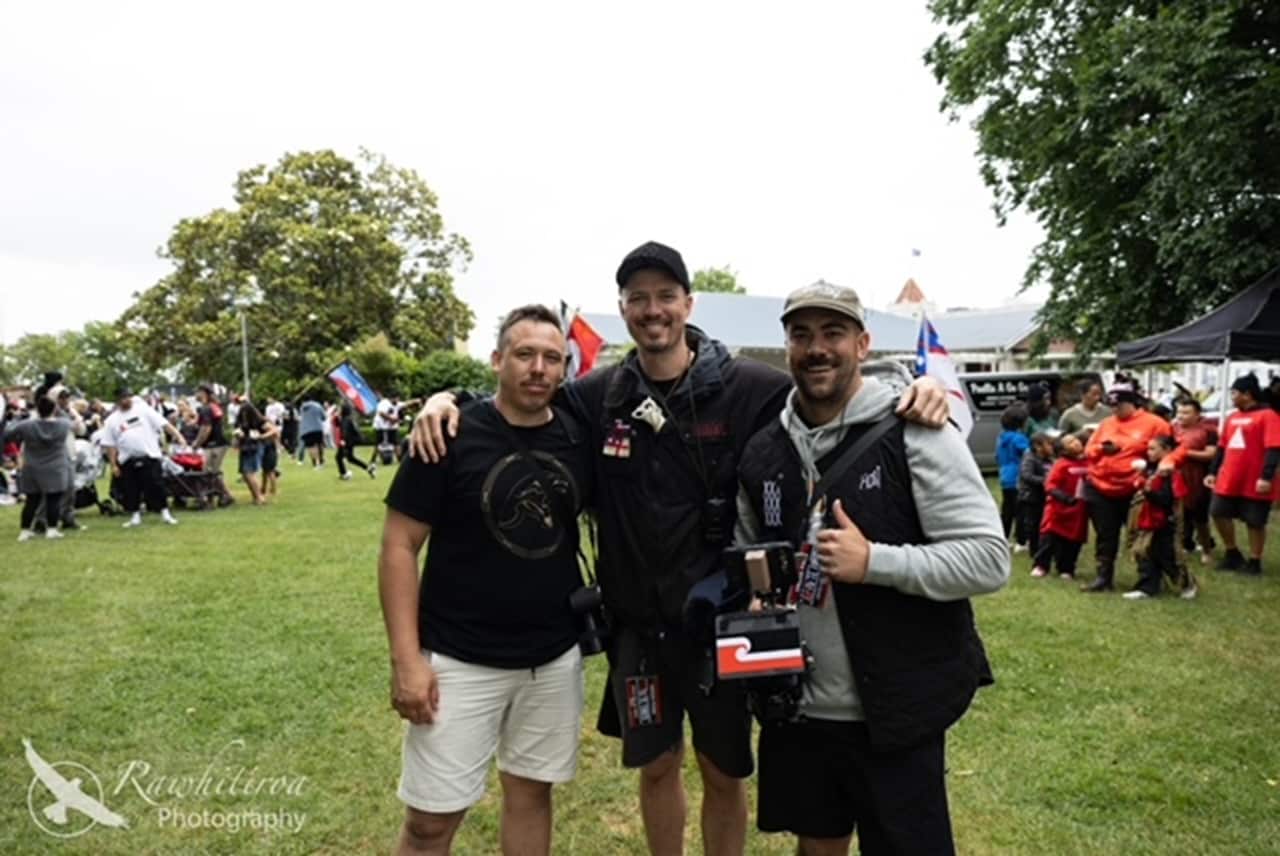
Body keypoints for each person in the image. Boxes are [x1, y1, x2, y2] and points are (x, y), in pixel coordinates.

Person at [409, 242, 950, 856]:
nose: (652, 309)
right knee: (657, 766)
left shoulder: (749, 387)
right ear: (624, 308)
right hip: (637, 625)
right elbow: (520, 400)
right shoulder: (598, 395)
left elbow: (825, 385)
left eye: (665, 296)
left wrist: (912, 386)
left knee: (724, 771)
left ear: (688, 304)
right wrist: (446, 399)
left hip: (724, 623)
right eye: (638, 298)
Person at [734, 281, 1009, 855]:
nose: (817, 348)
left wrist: (874, 563)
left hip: (895, 706)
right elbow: (746, 558)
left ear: (862, 344)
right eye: (801, 335)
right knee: (818, 844)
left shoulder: (915, 431)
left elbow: (988, 559)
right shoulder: (763, 450)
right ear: (786, 346)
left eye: (833, 333)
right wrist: (755, 597)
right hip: (799, 707)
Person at [378, 305, 591, 856]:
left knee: (531, 796)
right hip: (459, 660)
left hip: (552, 659)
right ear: (497, 361)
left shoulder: (577, 436)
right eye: (524, 354)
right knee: (430, 823)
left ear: (564, 369)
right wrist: (407, 660)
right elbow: (399, 547)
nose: (538, 368)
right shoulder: (448, 434)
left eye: (552, 358)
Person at [1080, 378, 1170, 592]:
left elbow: (1166, 452)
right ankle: (1103, 577)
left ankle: (1148, 580)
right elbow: (1088, 450)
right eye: (1112, 406)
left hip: (1134, 488)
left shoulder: (1154, 424)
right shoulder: (1106, 424)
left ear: (1132, 403)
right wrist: (1103, 449)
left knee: (1140, 535)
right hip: (1101, 486)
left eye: (1119, 405)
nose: (1115, 410)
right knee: (1105, 534)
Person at [1206, 374, 1280, 576]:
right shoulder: (1233, 418)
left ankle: (1255, 560)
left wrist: (1266, 476)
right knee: (1218, 512)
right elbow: (1222, 447)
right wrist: (1213, 471)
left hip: (1255, 478)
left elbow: (1274, 448)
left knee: (1255, 521)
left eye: (1234, 392)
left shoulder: (1268, 416)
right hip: (1230, 477)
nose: (1232, 396)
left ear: (1247, 394)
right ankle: (1232, 552)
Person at [1124, 434, 1196, 600]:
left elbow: (1166, 499)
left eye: (1153, 449)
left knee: (1168, 554)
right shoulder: (1150, 469)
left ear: (1167, 450)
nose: (1149, 452)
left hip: (1164, 520)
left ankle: (1186, 583)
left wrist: (1148, 491)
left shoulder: (1170, 473)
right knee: (1143, 552)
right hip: (1145, 518)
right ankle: (1147, 586)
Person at [100, 388, 184, 528]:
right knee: (131, 489)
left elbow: (164, 424)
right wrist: (113, 464)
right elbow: (110, 444)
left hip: (149, 455)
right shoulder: (111, 420)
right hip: (127, 458)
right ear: (118, 401)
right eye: (122, 398)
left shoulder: (144, 410)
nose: (126, 401)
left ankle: (165, 513)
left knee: (156, 486)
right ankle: (135, 515)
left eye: (128, 397)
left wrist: (178, 436)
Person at [4, 395, 73, 541]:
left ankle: (25, 530)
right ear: (54, 409)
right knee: (53, 499)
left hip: (32, 466)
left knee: (31, 500)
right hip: (56, 466)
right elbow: (77, 426)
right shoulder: (63, 424)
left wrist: (17, 421)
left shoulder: (26, 425)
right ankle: (52, 529)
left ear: (37, 409)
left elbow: (7, 435)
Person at [1032, 432, 1090, 579]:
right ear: (1063, 450)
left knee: (1073, 542)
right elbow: (1050, 485)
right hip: (1058, 509)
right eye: (1070, 442)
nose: (1076, 443)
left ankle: (1067, 568)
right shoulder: (1061, 465)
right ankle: (1041, 565)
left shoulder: (1087, 463)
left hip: (1078, 510)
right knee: (1049, 539)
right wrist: (1064, 497)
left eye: (1075, 440)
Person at [1172, 398, 1218, 564]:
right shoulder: (1172, 429)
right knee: (1177, 516)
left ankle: (1206, 549)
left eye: (1186, 413)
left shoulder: (1208, 430)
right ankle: (1180, 547)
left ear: (1197, 414)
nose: (1181, 416)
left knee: (1200, 518)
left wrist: (1185, 453)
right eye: (1179, 412)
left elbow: (1211, 454)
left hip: (1198, 478)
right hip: (1176, 476)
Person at [996, 405, 1030, 552]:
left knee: (1007, 511)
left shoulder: (1001, 438)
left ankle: (1003, 538)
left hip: (1005, 476)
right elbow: (1028, 454)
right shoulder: (1019, 438)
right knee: (1021, 511)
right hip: (1018, 477)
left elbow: (997, 456)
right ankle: (1021, 541)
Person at [193, 384, 234, 505]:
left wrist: (197, 443)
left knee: (209, 472)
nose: (196, 395)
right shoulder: (213, 406)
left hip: (214, 445)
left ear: (204, 393)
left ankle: (224, 496)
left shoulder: (206, 408)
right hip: (219, 443)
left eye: (197, 392)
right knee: (213, 472)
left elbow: (206, 428)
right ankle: (221, 496)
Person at [1018, 432, 1053, 563]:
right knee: (1033, 525)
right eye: (1048, 444)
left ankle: (1045, 548)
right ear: (1037, 446)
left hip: (1045, 497)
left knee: (1044, 524)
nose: (1051, 447)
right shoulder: (1030, 458)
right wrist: (1044, 480)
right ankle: (1034, 550)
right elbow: (1026, 475)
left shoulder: (1049, 459)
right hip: (1031, 497)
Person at [234, 400, 268, 505]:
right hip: (245, 446)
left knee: (249, 473)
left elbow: (273, 431)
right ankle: (256, 496)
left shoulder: (258, 421)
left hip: (253, 447)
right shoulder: (243, 421)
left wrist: (260, 437)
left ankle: (259, 497)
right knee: (245, 474)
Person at [336, 402, 376, 481]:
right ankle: (368, 468)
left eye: (339, 409)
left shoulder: (346, 420)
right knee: (350, 458)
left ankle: (344, 474)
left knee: (339, 457)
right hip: (350, 441)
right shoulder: (347, 418)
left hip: (346, 441)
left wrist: (343, 440)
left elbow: (345, 431)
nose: (338, 410)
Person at [298, 396, 327, 468]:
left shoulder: (302, 407)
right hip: (317, 428)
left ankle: (314, 463)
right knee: (319, 444)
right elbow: (324, 417)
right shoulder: (317, 405)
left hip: (306, 430)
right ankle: (321, 461)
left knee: (311, 447)